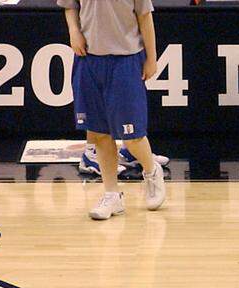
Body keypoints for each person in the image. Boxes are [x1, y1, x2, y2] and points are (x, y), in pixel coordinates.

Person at [60, 0, 167, 220]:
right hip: (88, 59)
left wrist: (152, 58)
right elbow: (70, 5)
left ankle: (151, 170)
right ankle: (111, 194)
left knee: (133, 136)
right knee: (99, 133)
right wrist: (74, 31)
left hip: (125, 60)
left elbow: (145, 16)